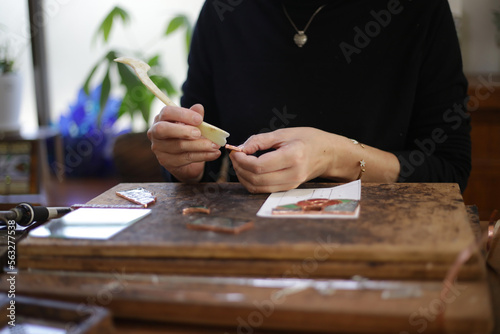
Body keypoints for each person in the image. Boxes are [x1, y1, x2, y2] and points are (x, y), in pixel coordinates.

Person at [147, 0, 471, 194]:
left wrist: (335, 156)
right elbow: (202, 156)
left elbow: (449, 170)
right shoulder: (224, 10)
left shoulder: (419, 10)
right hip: (244, 243)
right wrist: (184, 165)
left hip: (381, 253)